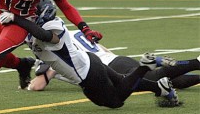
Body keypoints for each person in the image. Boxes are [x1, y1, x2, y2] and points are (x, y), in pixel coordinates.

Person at [0, 0, 180, 108]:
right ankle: (160, 88)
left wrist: (17, 19)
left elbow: (44, 35)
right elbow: (13, 40)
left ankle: (143, 67)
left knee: (116, 101)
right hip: (91, 61)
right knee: (123, 82)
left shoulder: (52, 28)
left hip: (87, 72)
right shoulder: (32, 29)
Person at [28, 30, 200, 91]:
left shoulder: (54, 48)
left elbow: (38, 85)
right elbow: (103, 49)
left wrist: (29, 84)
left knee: (155, 77)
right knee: (168, 81)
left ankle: (197, 62)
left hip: (111, 68)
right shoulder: (70, 32)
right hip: (116, 60)